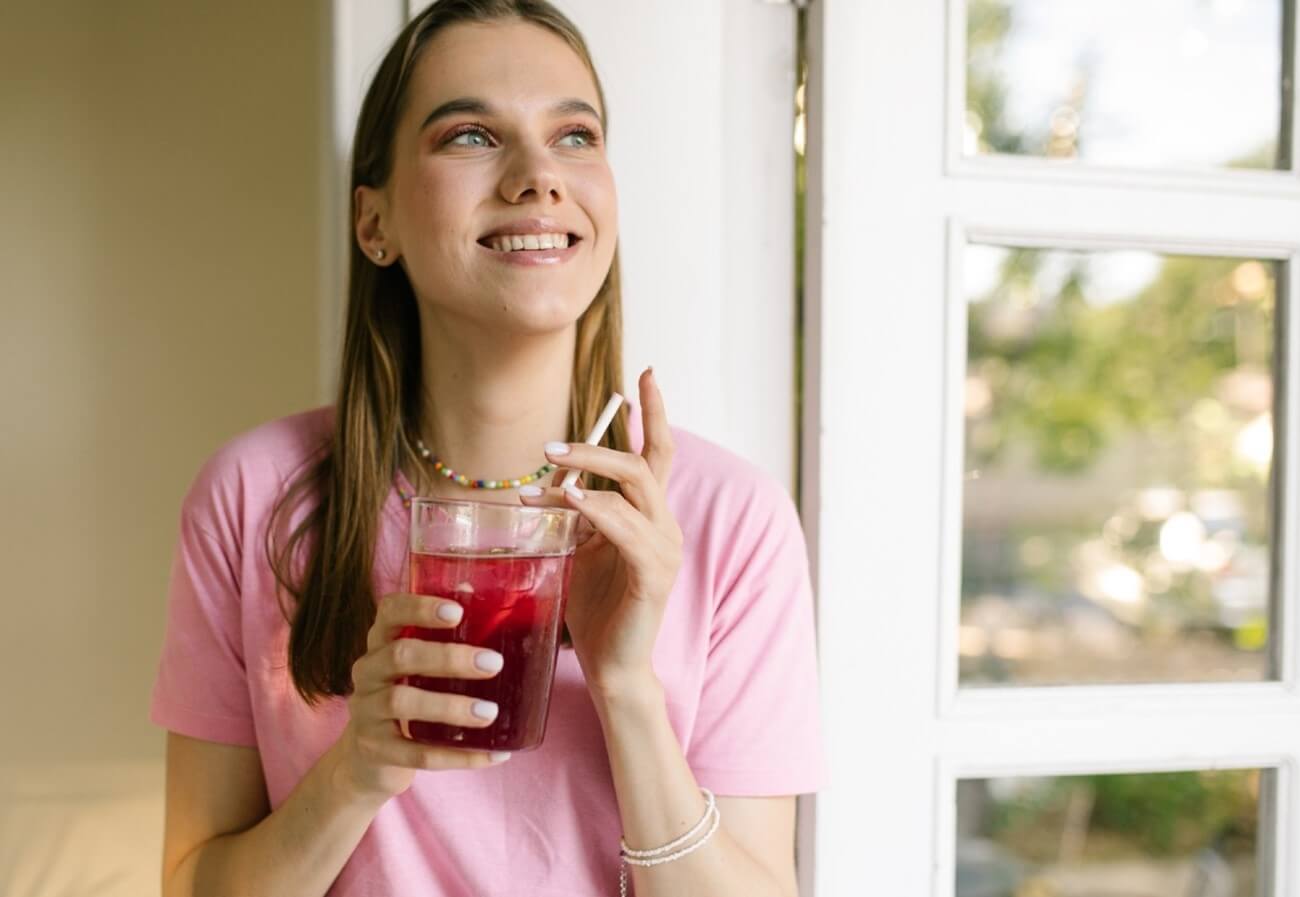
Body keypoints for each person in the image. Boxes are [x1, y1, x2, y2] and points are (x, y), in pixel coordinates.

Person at [149, 1, 826, 895]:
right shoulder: (253, 497)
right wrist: (359, 767)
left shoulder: (731, 521)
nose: (539, 176)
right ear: (374, 222)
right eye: (470, 135)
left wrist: (627, 688)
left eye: (575, 135)